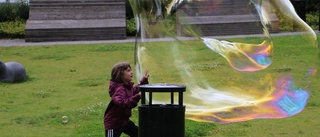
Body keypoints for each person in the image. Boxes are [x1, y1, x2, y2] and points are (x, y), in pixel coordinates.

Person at [104, 62, 149, 137]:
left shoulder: (126, 86)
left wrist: (143, 81)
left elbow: (133, 90)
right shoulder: (119, 89)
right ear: (120, 74)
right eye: (128, 70)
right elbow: (122, 103)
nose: (132, 72)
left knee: (139, 133)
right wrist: (138, 96)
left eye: (131, 70)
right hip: (114, 123)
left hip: (124, 121)